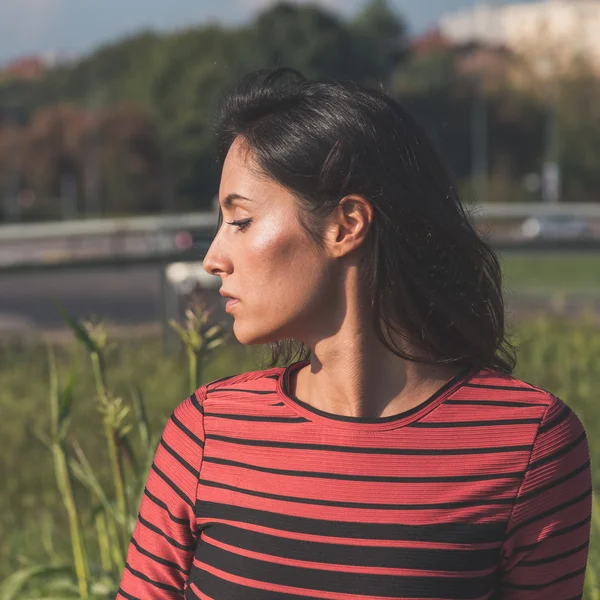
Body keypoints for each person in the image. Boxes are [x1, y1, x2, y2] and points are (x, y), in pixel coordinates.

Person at [117, 68, 592, 600]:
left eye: (241, 221)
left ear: (345, 225)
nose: (212, 259)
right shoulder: (207, 432)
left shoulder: (529, 444)